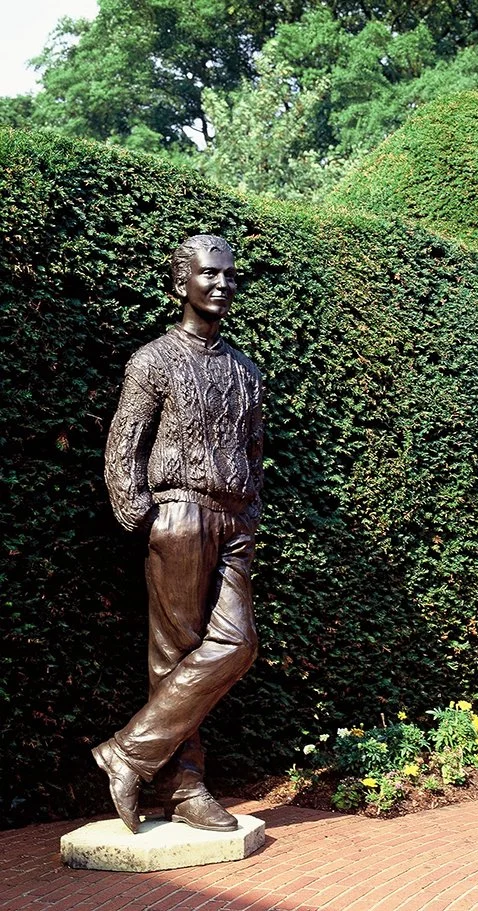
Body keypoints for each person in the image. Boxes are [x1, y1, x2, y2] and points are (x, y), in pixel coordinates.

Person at [93, 234, 264, 834]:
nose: (222, 284)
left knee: (236, 644)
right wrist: (145, 515)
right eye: (209, 274)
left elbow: (254, 449)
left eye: (229, 275)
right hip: (181, 511)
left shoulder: (246, 370)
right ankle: (186, 789)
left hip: (234, 517)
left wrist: (250, 512)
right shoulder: (154, 360)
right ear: (180, 283)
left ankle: (129, 752)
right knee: (175, 656)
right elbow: (123, 445)